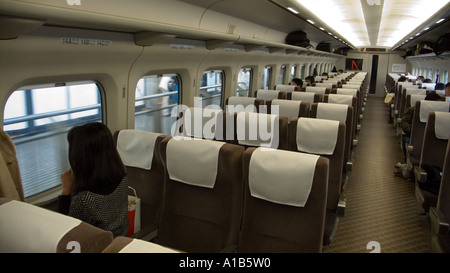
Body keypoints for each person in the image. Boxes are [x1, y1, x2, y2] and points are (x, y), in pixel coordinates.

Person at [58, 122, 129, 237]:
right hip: (120, 240)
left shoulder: (84, 199)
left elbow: (65, 233)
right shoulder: (122, 174)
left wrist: (65, 191)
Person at [397, 92, 443, 178]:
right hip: (412, 137)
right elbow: (403, 123)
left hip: (432, 146)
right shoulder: (413, 110)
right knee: (407, 141)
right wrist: (413, 132)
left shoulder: (441, 117)